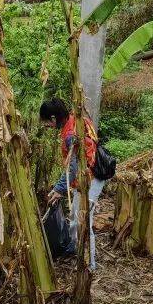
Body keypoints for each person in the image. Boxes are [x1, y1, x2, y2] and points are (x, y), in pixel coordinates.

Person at [39, 97, 105, 267]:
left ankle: (89, 265)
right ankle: (74, 249)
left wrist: (59, 189)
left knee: (84, 221)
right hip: (84, 178)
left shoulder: (70, 134)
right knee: (75, 218)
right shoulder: (75, 119)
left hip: (92, 178)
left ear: (53, 118)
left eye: (47, 122)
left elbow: (73, 166)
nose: (47, 126)